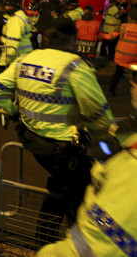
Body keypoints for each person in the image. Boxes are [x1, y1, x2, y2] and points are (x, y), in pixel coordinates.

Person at [0, 18, 119, 245]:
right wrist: (109, 142)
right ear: (72, 39)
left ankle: (46, 241)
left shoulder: (24, 60)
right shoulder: (75, 66)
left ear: (45, 38)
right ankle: (68, 244)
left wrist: (13, 112)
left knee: (63, 189)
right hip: (64, 148)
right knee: (74, 194)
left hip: (33, 140)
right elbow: (98, 115)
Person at [36, 80, 137, 257]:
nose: (132, 82)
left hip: (47, 143)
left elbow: (95, 246)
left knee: (62, 192)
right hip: (63, 147)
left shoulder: (132, 167)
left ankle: (42, 238)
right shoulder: (128, 140)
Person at [103, 7, 137, 97]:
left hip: (122, 57)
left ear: (129, 18)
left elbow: (111, 36)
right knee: (135, 75)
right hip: (135, 58)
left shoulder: (123, 27)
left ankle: (111, 91)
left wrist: (103, 36)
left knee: (118, 73)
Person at [0, 0, 33, 72]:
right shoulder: (21, 15)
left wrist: (3, 62)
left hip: (15, 60)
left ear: (11, 6)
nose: (5, 8)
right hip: (23, 58)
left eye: (6, 5)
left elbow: (12, 44)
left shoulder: (15, 20)